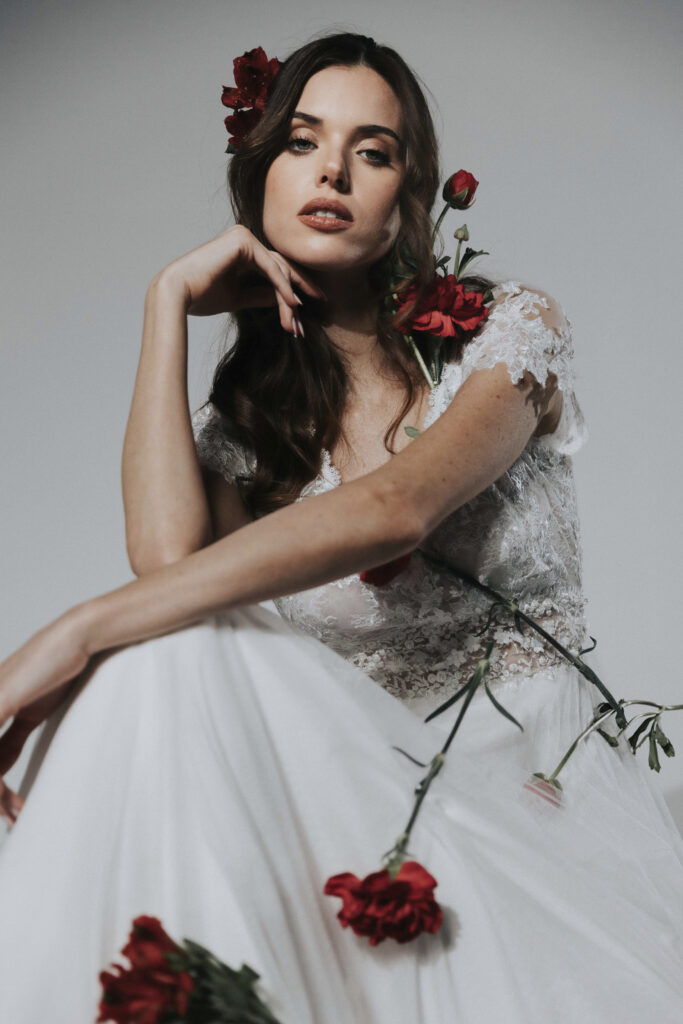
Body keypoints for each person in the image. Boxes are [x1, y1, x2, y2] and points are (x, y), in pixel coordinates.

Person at [1, 29, 682, 1024]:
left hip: (530, 792)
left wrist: (67, 633)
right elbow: (164, 567)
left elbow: (394, 508)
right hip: (353, 810)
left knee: (139, 636)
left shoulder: (506, 334)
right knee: (170, 647)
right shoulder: (246, 432)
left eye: (371, 151)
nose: (330, 169)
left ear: (409, 196)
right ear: (259, 177)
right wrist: (165, 304)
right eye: (301, 142)